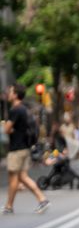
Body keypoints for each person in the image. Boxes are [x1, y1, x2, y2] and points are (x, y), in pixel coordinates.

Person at [2, 83, 49, 215]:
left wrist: (9, 128)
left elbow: (6, 129)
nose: (9, 94)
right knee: (22, 177)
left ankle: (9, 206)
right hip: (25, 148)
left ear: (16, 95)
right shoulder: (24, 109)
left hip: (16, 149)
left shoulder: (15, 110)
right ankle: (41, 200)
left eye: (11, 91)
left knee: (14, 178)